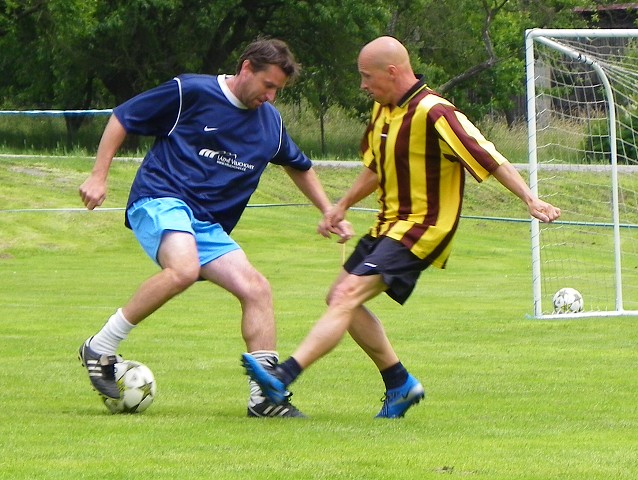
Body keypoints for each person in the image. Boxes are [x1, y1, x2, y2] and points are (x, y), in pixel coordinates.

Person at [241, 36, 561, 418]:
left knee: (347, 297)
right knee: (340, 298)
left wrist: (530, 198)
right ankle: (399, 384)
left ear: (391, 72)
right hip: (387, 225)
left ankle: (282, 375)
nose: (362, 85)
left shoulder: (436, 112)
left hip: (425, 228)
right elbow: (376, 168)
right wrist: (340, 205)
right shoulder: (382, 111)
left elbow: (489, 156)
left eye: (366, 76)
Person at [78, 38, 351, 418]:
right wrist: (98, 176)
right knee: (184, 269)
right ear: (245, 68)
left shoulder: (270, 123)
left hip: (204, 225)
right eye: (267, 85)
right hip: (160, 200)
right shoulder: (191, 91)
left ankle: (264, 398)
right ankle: (101, 347)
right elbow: (123, 117)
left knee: (257, 289)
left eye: (278, 90)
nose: (271, 97)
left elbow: (297, 165)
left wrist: (328, 210)